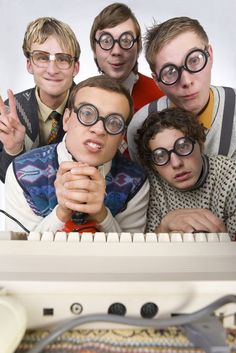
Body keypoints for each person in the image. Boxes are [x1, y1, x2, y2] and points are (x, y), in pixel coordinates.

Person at [5, 75, 149, 234]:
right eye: (87, 114)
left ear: (122, 136)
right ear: (66, 119)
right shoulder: (22, 172)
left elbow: (131, 256)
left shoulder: (136, 181)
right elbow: (21, 254)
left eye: (114, 122)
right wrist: (61, 214)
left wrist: (102, 215)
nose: (99, 130)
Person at [127, 16, 236, 163]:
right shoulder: (139, 126)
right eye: (170, 71)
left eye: (194, 61)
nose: (186, 81)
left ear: (209, 55)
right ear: (156, 80)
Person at [0, 17, 81, 182]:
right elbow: (5, 178)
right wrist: (14, 150)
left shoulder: (88, 110)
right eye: (42, 58)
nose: (52, 70)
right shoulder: (11, 113)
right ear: (29, 64)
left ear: (76, 67)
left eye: (63, 59)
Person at [136, 107, 236, 239]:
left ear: (200, 144)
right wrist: (164, 225)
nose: (176, 163)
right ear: (153, 166)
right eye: (160, 156)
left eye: (183, 147)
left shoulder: (232, 177)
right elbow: (146, 253)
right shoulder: (147, 187)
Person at [90, 2, 164, 155]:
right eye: (106, 41)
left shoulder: (161, 98)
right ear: (94, 50)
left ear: (138, 48)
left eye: (125, 40)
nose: (116, 51)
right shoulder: (82, 98)